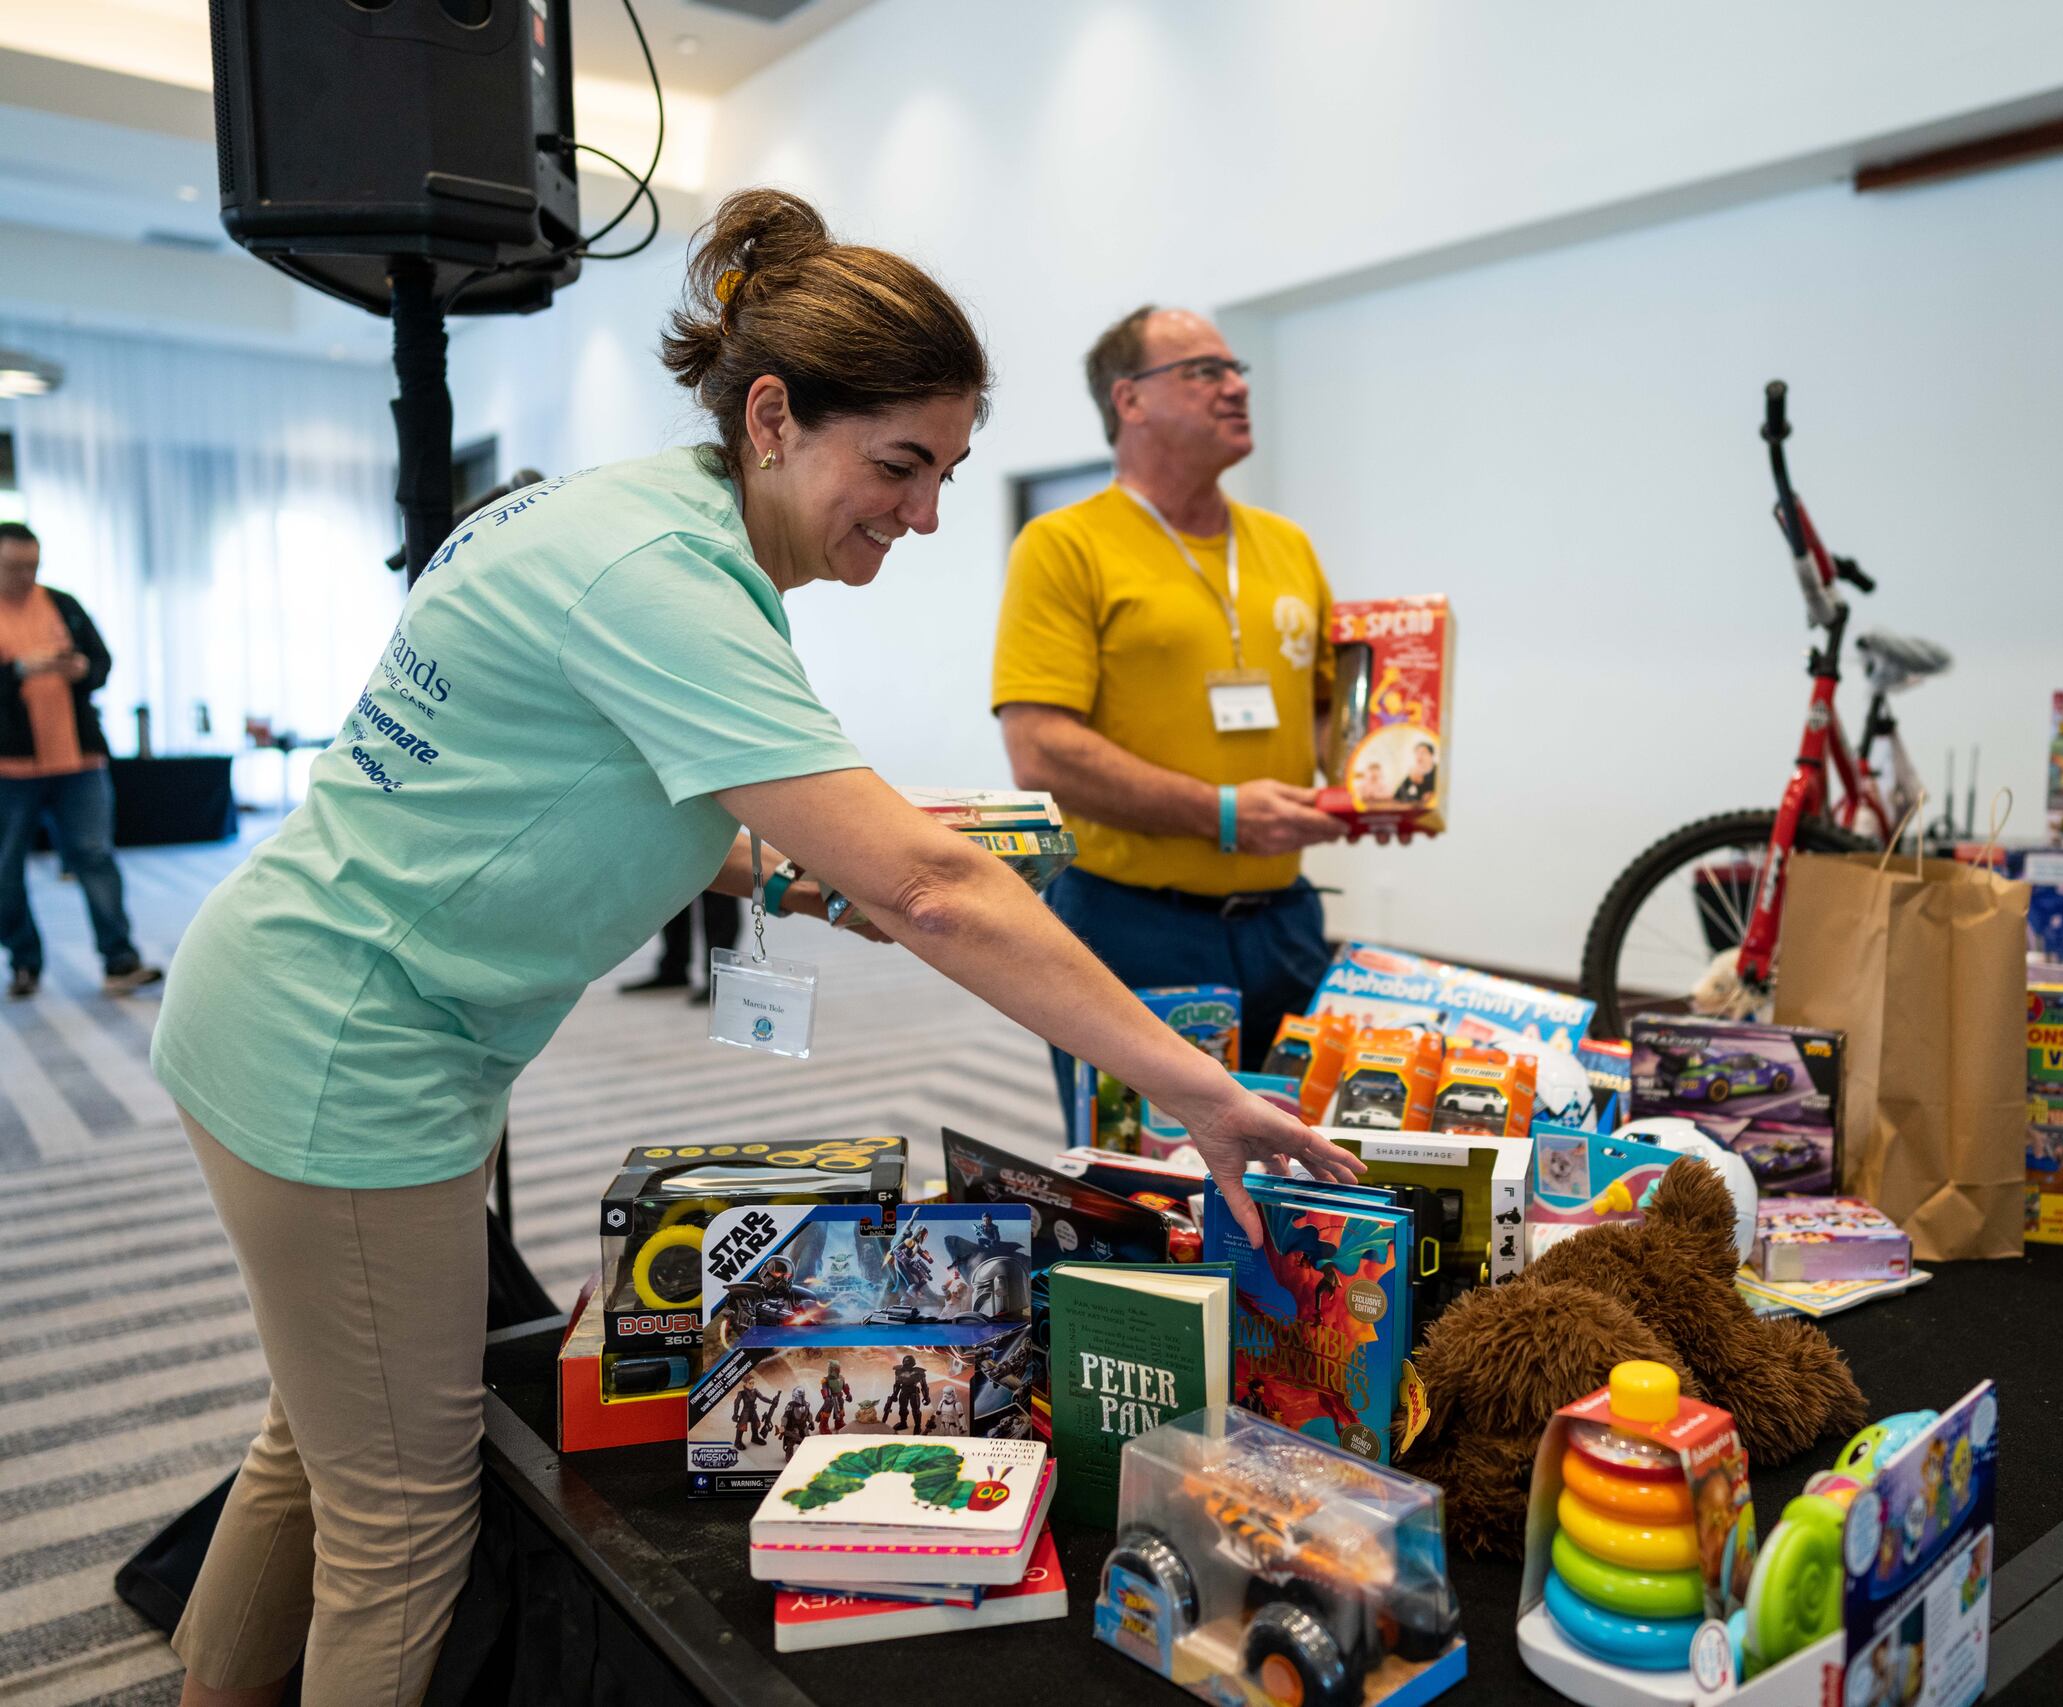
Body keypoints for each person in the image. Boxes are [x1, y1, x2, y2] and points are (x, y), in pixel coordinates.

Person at [150, 190, 1356, 1707]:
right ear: (773, 417)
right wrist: (1195, 1087)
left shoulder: (633, 520)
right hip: (344, 1050)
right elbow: (935, 889)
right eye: (899, 466)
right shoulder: (661, 576)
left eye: (946, 473)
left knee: (318, 1444)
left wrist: (798, 871)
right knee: (400, 1516)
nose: (924, 515)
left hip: (319, 1004)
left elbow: (592, 787)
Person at [993, 306, 1348, 1130]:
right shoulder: (1063, 545)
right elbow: (1040, 750)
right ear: (1131, 399)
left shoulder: (1287, 545)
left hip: (1286, 920)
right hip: (1129, 925)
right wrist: (1219, 813)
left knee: (1299, 1161)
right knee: (1146, 1177)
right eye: (1204, 371)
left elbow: (1329, 711)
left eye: (1237, 370)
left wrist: (1380, 786)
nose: (1236, 386)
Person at [0, 521, 161, 998]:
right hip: (10, 769)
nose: (25, 576)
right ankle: (24, 961)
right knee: (6, 869)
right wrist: (18, 669)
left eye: (32, 566)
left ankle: (120, 960)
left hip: (79, 759)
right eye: (14, 567)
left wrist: (82, 669)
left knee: (95, 856)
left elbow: (101, 662)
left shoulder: (63, 604)